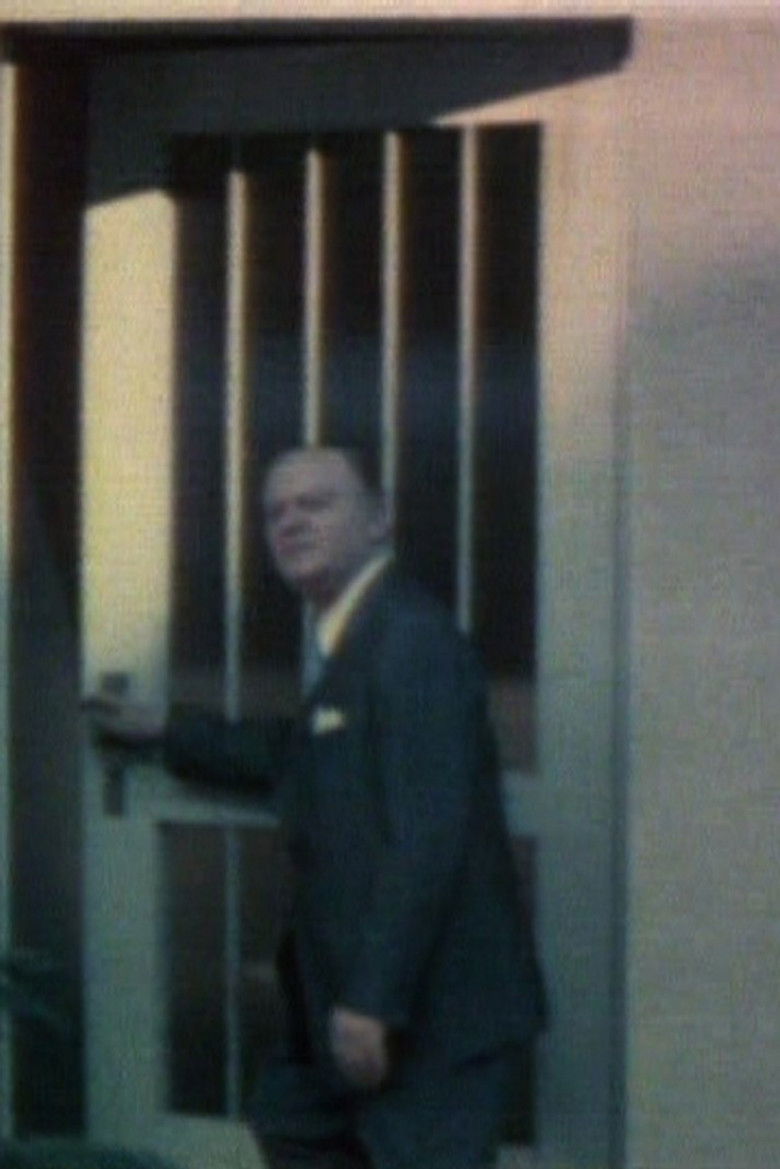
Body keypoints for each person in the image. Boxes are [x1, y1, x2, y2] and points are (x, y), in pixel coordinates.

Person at [92, 445, 545, 1169]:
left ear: (379, 518)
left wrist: (372, 1001)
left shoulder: (410, 639)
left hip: (428, 1009)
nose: (291, 522)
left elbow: (428, 836)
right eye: (276, 511)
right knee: (288, 1117)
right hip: (356, 999)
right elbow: (304, 752)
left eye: (316, 503)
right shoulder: (353, 634)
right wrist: (166, 729)